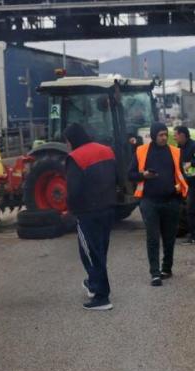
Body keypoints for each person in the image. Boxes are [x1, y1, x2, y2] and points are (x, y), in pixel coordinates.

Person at [128, 122, 188, 287]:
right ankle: (155, 273)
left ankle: (166, 269)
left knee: (169, 239)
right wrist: (144, 175)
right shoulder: (141, 151)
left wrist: (179, 196)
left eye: (165, 134)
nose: (164, 137)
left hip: (171, 201)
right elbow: (130, 174)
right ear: (154, 135)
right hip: (149, 202)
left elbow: (182, 175)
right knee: (153, 238)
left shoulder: (175, 152)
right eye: (160, 135)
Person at [65, 123, 117, 311]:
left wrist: (70, 209)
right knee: (100, 250)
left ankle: (102, 298)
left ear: (72, 140)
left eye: (67, 141)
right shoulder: (107, 150)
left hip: (88, 213)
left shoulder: (75, 158)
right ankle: (93, 284)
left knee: (90, 253)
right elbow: (117, 177)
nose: (67, 145)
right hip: (109, 208)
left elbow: (74, 190)